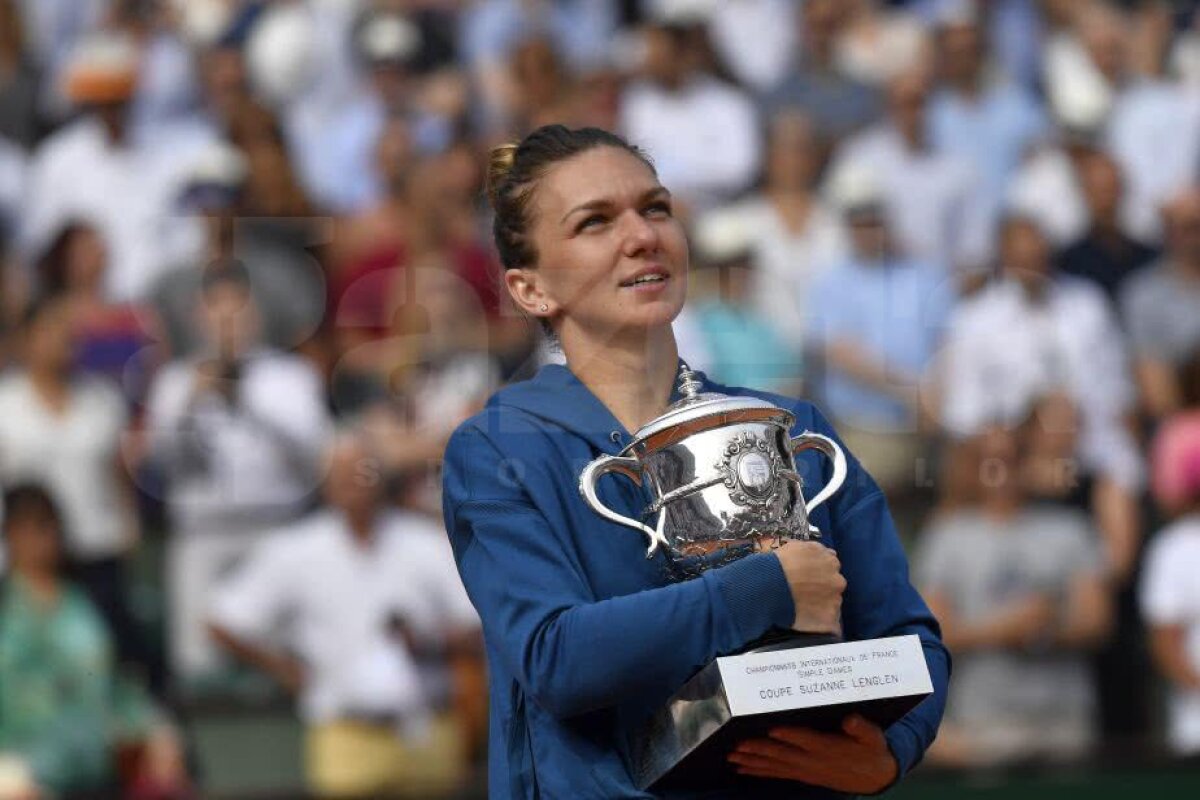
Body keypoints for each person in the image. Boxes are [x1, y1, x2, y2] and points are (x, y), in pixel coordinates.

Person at [440, 125, 949, 799]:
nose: (642, 234)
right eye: (594, 222)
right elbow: (555, 659)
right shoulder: (499, 448)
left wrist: (891, 752)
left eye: (654, 208)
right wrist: (764, 587)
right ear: (532, 290)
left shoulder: (793, 428)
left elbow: (909, 637)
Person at [209, 431, 483, 799]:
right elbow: (223, 619)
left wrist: (431, 638)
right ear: (325, 484)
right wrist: (284, 669)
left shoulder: (425, 543)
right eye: (340, 474)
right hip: (344, 730)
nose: (352, 483)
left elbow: (477, 625)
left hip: (425, 727)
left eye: (361, 472)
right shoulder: (296, 549)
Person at [0, 484, 187, 799]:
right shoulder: (6, 604)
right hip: (18, 754)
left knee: (166, 750)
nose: (40, 538)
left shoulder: (86, 601)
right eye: (26, 528)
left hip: (93, 750)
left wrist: (151, 729)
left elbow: (117, 683)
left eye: (47, 525)